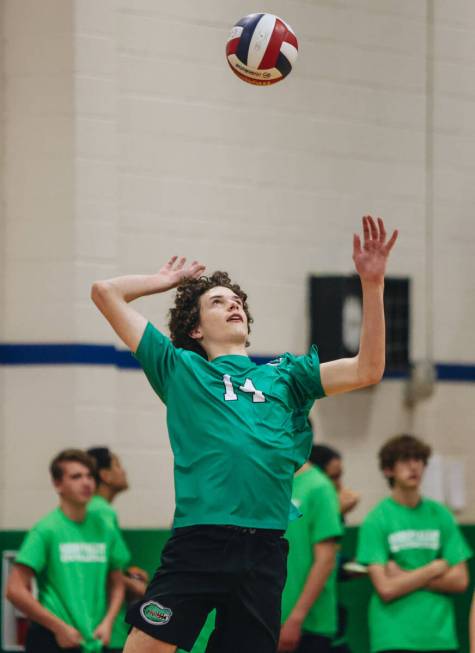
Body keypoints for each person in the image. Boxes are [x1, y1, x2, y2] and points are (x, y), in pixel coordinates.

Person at [90, 216, 397, 653]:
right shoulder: (180, 369)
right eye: (217, 301)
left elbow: (369, 368)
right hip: (201, 540)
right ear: (195, 328)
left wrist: (373, 285)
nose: (233, 305)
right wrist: (164, 281)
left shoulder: (287, 377)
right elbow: (105, 292)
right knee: (146, 649)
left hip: (264, 550)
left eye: (237, 301)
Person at [357, 434, 472, 653]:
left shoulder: (441, 515)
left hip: (440, 636)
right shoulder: (377, 519)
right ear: (388, 470)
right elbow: (386, 588)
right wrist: (434, 568)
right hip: (393, 635)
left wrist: (404, 576)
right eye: (405, 459)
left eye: (418, 459)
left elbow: (460, 581)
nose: (414, 466)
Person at [6, 449, 127, 653]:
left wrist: (108, 622)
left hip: (95, 640)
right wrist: (58, 627)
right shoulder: (46, 529)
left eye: (89, 476)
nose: (86, 482)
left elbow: (116, 583)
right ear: (58, 484)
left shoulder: (104, 528)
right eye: (76, 476)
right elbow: (15, 589)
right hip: (54, 639)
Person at [87, 447, 149, 652]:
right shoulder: (100, 511)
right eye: (117, 464)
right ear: (105, 475)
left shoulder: (98, 510)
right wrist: (134, 585)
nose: (123, 471)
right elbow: (97, 566)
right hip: (104, 628)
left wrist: (127, 574)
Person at [279, 459, 343, 653]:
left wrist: (296, 618)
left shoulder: (318, 486)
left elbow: (325, 560)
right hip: (267, 620)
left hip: (308, 625)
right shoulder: (270, 481)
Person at [309, 444, 360, 653]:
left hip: (330, 620)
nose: (340, 485)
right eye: (334, 477)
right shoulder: (305, 504)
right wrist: (335, 513)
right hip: (306, 623)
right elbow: (317, 560)